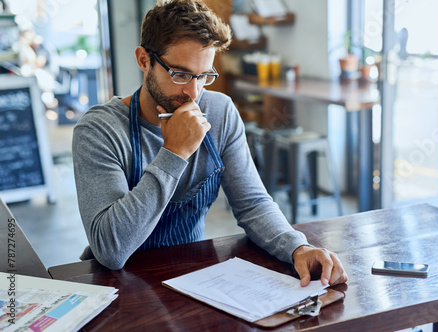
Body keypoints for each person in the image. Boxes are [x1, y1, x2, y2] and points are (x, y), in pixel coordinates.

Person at [73, 0, 347, 287]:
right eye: (179, 74)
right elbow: (111, 251)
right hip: (120, 287)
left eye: (204, 76)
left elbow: (252, 204)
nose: (193, 92)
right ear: (144, 60)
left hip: (192, 276)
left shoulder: (220, 111)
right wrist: (174, 152)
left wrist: (297, 247)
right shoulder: (99, 130)